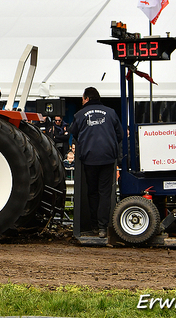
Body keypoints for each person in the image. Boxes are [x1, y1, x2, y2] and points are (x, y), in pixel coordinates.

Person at [69, 87, 123, 239]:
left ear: (86, 98)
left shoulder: (79, 114)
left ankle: (94, 226)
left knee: (92, 193)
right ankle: (103, 228)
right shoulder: (111, 112)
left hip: (89, 158)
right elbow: (120, 134)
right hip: (107, 158)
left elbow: (74, 132)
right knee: (105, 193)